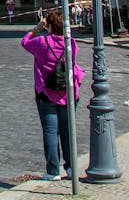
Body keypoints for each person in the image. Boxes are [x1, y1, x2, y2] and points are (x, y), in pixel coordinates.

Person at [22, 9, 84, 182]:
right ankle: (71, 168)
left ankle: (53, 171)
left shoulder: (41, 42)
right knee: (67, 130)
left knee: (50, 131)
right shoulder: (71, 42)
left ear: (48, 26)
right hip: (68, 92)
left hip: (46, 93)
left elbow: (25, 41)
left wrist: (37, 28)